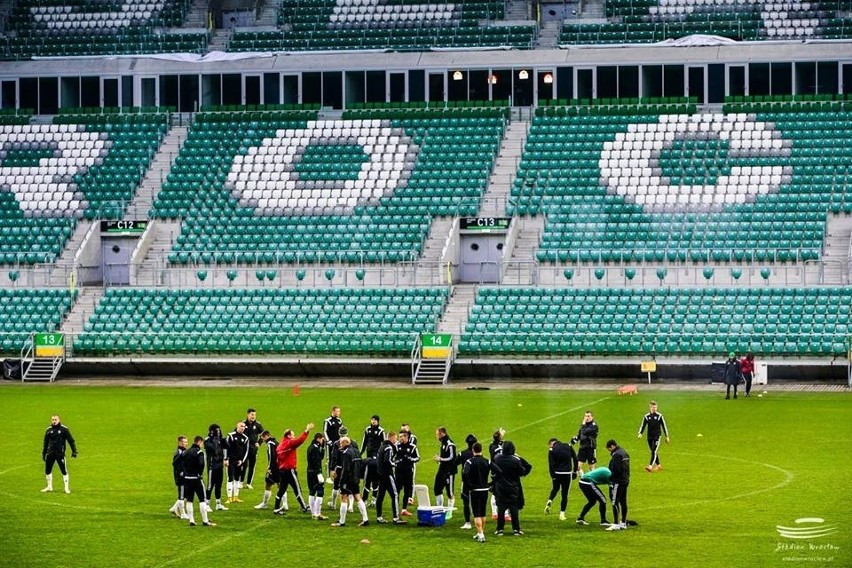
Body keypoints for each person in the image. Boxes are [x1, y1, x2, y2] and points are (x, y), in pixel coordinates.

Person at [491, 440, 532, 536]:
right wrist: (518, 457)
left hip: (500, 487)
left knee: (500, 509)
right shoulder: (515, 460)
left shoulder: (497, 458)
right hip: (513, 487)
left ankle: (499, 529)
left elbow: (493, 471)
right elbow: (524, 470)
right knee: (514, 509)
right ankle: (516, 529)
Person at [274, 423, 314, 515]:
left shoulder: (280, 445)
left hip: (282, 470)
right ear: (288, 435)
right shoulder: (289, 443)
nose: (294, 436)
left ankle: (276, 508)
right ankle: (304, 506)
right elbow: (300, 441)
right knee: (297, 489)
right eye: (292, 435)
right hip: (290, 470)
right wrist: (306, 430)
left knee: (281, 490)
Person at [331, 436, 370, 527]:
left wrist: (341, 482)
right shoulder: (356, 451)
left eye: (341, 443)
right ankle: (365, 519)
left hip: (348, 480)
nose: (340, 445)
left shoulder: (346, 453)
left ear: (345, 443)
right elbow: (360, 464)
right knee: (358, 497)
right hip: (355, 478)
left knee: (343, 498)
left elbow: (345, 469)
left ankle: (342, 521)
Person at [462, 441, 491, 543]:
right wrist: (491, 483)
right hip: (485, 490)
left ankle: (481, 534)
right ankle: (480, 532)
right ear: (481, 450)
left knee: (476, 514)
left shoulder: (469, 462)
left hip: (474, 490)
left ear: (473, 450)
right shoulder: (487, 461)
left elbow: (464, 474)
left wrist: (469, 485)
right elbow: (499, 472)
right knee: (483, 513)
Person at [183, 436, 215, 526]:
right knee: (202, 499)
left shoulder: (186, 451)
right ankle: (205, 521)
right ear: (199, 442)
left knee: (189, 500)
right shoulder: (199, 452)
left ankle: (191, 520)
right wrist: (199, 474)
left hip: (187, 478)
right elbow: (201, 464)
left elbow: (183, 464)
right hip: (196, 479)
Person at [375, 431, 406, 524]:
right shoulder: (388, 448)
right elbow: (387, 461)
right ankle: (396, 518)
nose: (396, 440)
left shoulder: (382, 446)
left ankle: (379, 517)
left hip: (380, 474)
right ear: (391, 438)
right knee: (395, 495)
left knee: (380, 495)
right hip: (387, 474)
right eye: (395, 438)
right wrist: (395, 464)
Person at [41, 415, 77, 494]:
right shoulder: (48, 430)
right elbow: (45, 443)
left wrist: (74, 451)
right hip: (50, 454)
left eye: (55, 419)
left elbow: (71, 441)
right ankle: (49, 487)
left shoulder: (64, 429)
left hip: (60, 454)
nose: (54, 421)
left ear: (59, 420)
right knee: (47, 471)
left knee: (64, 471)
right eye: (53, 419)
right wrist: (44, 453)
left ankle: (66, 488)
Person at [545, 437, 579, 521]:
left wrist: (552, 475)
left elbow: (551, 464)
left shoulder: (552, 450)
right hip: (567, 473)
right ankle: (562, 513)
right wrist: (574, 471)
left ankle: (550, 500)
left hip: (557, 473)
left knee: (555, 489)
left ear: (552, 443)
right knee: (564, 494)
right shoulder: (568, 446)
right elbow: (575, 459)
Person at [638, 400, 670, 472]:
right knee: (653, 451)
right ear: (650, 407)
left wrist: (667, 436)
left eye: (655, 407)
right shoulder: (646, 416)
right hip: (649, 436)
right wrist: (640, 433)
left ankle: (650, 466)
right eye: (653, 407)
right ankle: (658, 465)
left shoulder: (660, 416)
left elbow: (664, 426)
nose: (654, 409)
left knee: (654, 451)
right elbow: (643, 425)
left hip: (657, 436)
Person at [605, 439, 630, 531]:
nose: (609, 451)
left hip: (618, 481)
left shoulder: (616, 455)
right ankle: (623, 523)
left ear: (612, 446)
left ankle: (616, 523)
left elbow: (616, 469)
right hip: (625, 480)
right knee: (623, 502)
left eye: (609, 449)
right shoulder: (624, 453)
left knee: (614, 501)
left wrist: (611, 478)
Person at [361, 414, 386, 505]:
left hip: (377, 458)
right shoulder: (367, 430)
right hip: (369, 457)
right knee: (367, 478)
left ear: (378, 421)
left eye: (375, 420)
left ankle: (374, 498)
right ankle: (365, 499)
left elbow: (384, 445)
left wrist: (382, 457)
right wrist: (360, 453)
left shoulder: (381, 431)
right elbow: (364, 442)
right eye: (372, 420)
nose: (373, 421)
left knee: (375, 479)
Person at [433, 426, 457, 519]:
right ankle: (440, 510)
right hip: (441, 470)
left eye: (437, 434)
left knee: (450, 493)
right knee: (437, 489)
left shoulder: (450, 444)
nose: (436, 436)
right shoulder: (443, 443)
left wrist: (441, 459)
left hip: (449, 472)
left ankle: (449, 512)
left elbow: (452, 457)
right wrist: (439, 460)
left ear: (442, 433)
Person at [395, 429, 420, 517]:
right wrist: (398, 461)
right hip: (398, 472)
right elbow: (393, 458)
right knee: (397, 491)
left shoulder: (413, 447)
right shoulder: (396, 446)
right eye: (399, 437)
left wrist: (410, 459)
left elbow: (417, 458)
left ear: (406, 437)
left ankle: (404, 509)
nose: (400, 438)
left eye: (402, 437)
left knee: (406, 491)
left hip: (408, 472)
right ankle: (396, 509)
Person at [204, 424, 228, 511]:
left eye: (219, 430)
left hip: (219, 465)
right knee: (210, 485)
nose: (218, 432)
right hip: (212, 466)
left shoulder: (220, 439)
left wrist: (223, 440)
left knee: (219, 485)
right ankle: (207, 504)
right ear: (212, 431)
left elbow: (227, 447)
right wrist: (217, 441)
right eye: (217, 431)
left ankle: (218, 504)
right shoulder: (207, 440)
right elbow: (212, 449)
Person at [254, 430, 279, 510]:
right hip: (280, 466)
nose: (263, 440)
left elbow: (272, 457)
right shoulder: (276, 442)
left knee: (268, 484)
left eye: (263, 438)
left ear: (266, 436)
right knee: (280, 485)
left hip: (274, 468)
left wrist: (270, 468)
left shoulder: (270, 444)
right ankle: (285, 505)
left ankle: (264, 503)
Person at [224, 422, 249, 503]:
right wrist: (226, 459)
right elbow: (225, 448)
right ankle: (229, 498)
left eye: (244, 427)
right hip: (230, 460)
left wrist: (242, 460)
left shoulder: (245, 438)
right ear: (237, 426)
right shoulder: (230, 435)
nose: (243, 428)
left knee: (237, 479)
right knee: (230, 478)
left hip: (239, 461)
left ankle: (235, 497)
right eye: (241, 426)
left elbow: (246, 451)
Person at [458, 434, 478, 529]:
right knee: (477, 502)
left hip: (465, 482)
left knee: (466, 502)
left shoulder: (462, 454)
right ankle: (478, 520)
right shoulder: (479, 456)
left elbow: (454, 464)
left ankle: (467, 522)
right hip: (477, 482)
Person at [306, 432, 327, 520]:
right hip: (315, 472)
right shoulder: (315, 448)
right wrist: (319, 473)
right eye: (322, 439)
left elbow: (320, 458)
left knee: (312, 491)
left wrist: (322, 448)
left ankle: (313, 512)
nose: (323, 441)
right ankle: (317, 513)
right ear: (318, 438)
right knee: (320, 491)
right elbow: (317, 461)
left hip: (309, 471)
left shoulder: (311, 447)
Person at [241, 408, 264, 489]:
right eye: (252, 414)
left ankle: (248, 483)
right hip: (244, 448)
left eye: (254, 415)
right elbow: (237, 432)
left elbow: (263, 434)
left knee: (252, 465)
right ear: (248, 415)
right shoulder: (243, 423)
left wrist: (259, 442)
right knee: (244, 464)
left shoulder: (258, 424)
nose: (253, 416)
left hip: (253, 448)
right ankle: (241, 482)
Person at [169, 435, 188, 519]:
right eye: (184, 442)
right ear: (180, 442)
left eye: (186, 442)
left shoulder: (183, 451)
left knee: (185, 495)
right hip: (181, 477)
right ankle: (183, 513)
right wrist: (181, 473)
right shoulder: (179, 453)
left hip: (184, 476)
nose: (186, 443)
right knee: (181, 495)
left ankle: (174, 508)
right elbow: (175, 464)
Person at [488, 428, 505, 519]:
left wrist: (500, 435)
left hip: (494, 470)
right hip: (498, 471)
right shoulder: (497, 448)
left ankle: (495, 513)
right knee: (499, 491)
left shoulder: (492, 445)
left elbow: (499, 443)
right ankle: (500, 513)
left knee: (496, 491)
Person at [323, 406, 343, 476]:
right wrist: (328, 441)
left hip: (338, 443)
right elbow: (325, 431)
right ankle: (328, 476)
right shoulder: (328, 421)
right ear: (333, 411)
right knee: (329, 459)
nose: (338, 413)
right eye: (337, 411)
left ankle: (336, 474)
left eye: (339, 411)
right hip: (330, 444)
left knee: (338, 458)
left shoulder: (339, 421)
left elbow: (341, 431)